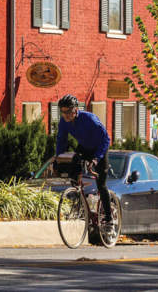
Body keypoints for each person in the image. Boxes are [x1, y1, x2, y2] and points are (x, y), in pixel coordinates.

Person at [55, 94, 112, 224]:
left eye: (68, 111)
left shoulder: (89, 119)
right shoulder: (64, 121)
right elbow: (61, 140)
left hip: (99, 149)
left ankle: (109, 218)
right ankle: (78, 198)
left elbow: (106, 139)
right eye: (62, 112)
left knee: (101, 184)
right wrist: (58, 157)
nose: (65, 115)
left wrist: (97, 158)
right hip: (84, 147)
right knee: (73, 165)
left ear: (75, 109)